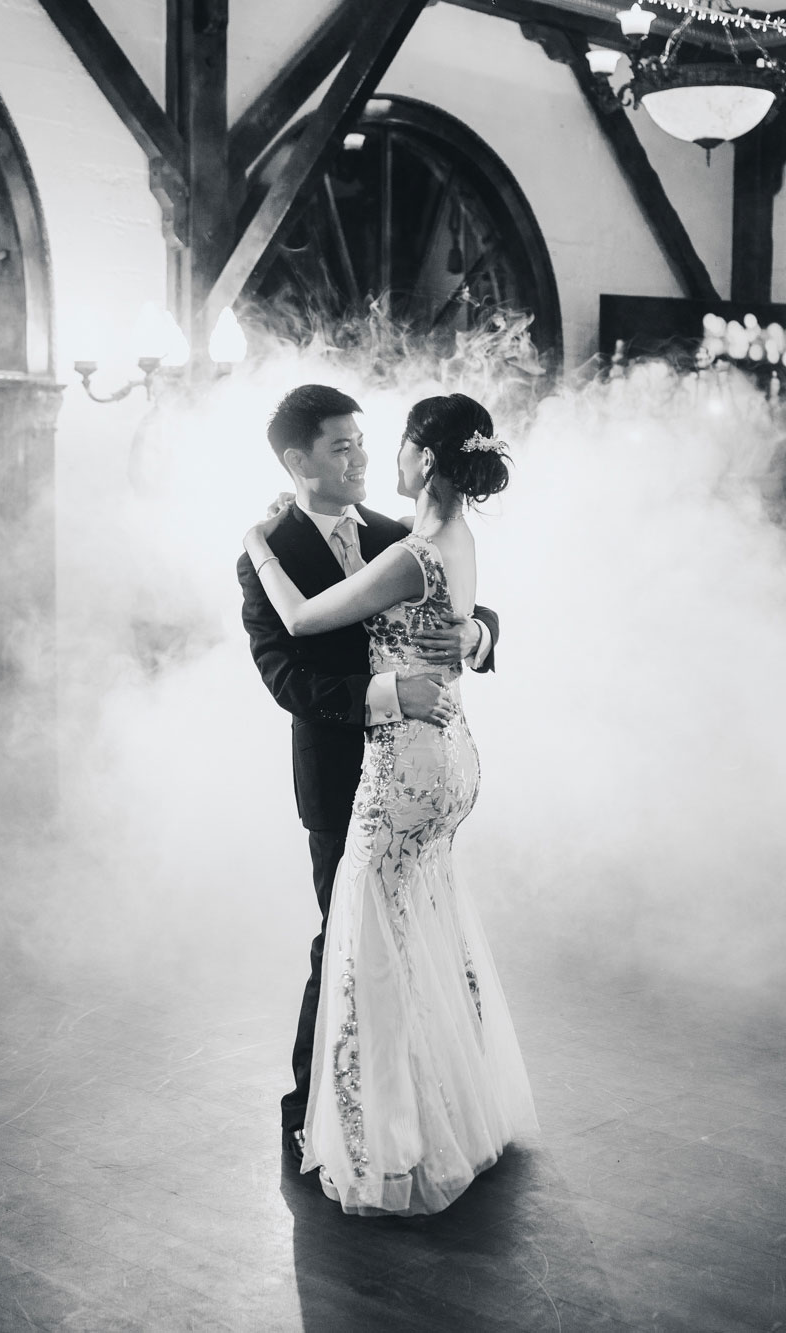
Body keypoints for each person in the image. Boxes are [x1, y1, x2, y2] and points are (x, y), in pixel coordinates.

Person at [241, 390, 537, 1216]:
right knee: (361, 940)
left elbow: (466, 607)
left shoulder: (395, 534)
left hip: (408, 773)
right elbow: (286, 674)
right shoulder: (274, 551)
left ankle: (371, 1122)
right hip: (347, 773)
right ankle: (323, 1111)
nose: (362, 460)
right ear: (299, 462)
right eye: (342, 448)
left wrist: (476, 635)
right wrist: (386, 691)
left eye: (370, 444)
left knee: (369, 940)